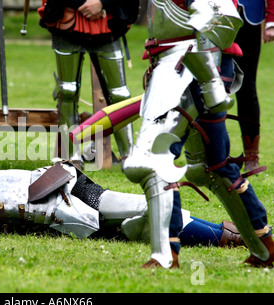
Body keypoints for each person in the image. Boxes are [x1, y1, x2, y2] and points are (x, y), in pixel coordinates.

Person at [122, 0, 274, 269]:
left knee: (152, 159)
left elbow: (222, 15)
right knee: (210, 168)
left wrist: (208, 80)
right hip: (185, 65)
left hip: (191, 65)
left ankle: (165, 255)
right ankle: (266, 247)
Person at [0, 163, 245, 248]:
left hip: (62, 191)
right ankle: (236, 235)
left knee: (145, 213)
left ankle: (234, 236)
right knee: (145, 213)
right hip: (61, 195)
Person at [37, 0, 140, 169]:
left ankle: (130, 156)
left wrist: (102, 3)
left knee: (120, 94)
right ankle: (69, 155)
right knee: (67, 90)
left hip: (106, 20)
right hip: (67, 15)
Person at [234, 0, 274, 171]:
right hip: (216, 18)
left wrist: (271, 20)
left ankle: (251, 155)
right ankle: (211, 155)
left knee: (246, 88)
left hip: (250, 17)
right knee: (211, 87)